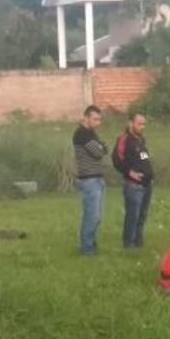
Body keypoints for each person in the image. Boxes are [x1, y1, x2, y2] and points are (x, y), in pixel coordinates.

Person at [112, 112, 153, 249]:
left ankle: (138, 242)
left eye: (144, 124)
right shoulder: (124, 139)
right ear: (130, 123)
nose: (142, 126)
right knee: (133, 216)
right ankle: (128, 244)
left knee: (142, 216)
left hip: (147, 184)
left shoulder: (141, 140)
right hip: (134, 186)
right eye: (139, 123)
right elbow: (117, 159)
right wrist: (130, 172)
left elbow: (143, 158)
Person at [73, 105, 107, 256]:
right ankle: (86, 249)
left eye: (99, 119)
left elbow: (103, 148)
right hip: (89, 180)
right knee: (91, 216)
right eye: (95, 119)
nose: (98, 122)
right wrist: (101, 147)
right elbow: (99, 152)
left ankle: (91, 245)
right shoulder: (82, 134)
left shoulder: (92, 134)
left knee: (97, 216)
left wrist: (102, 146)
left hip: (97, 178)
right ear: (86, 117)